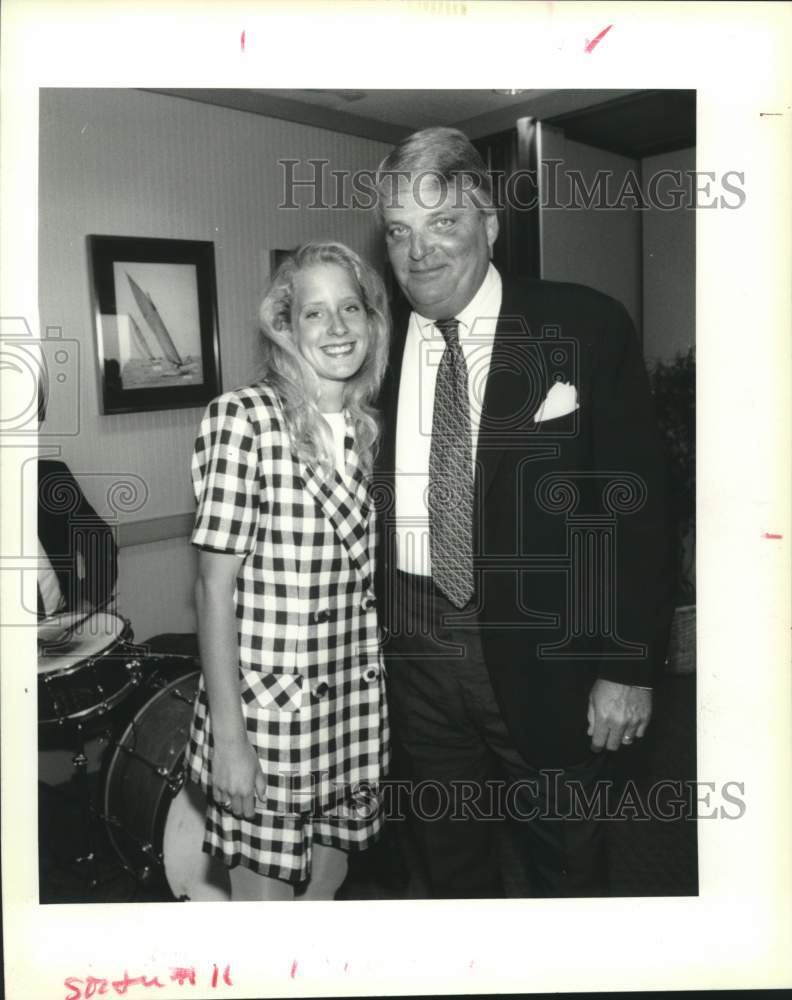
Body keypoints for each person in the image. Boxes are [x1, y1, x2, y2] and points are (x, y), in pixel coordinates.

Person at [372, 127, 675, 898]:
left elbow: (638, 510)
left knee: (565, 858)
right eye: (401, 231)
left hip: (548, 651)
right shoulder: (369, 350)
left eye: (443, 223)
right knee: (445, 857)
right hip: (413, 645)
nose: (421, 252)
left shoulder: (582, 326)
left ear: (490, 225)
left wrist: (627, 666)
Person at [184, 241, 391, 901]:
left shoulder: (373, 432)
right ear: (285, 325)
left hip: (351, 711)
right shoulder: (243, 419)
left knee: (326, 896)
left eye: (350, 308)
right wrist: (230, 740)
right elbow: (212, 593)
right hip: (268, 722)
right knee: (265, 923)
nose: (336, 328)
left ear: (372, 321)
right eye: (314, 313)